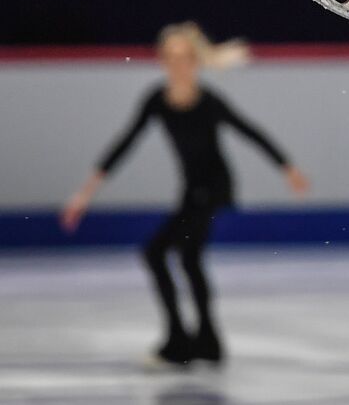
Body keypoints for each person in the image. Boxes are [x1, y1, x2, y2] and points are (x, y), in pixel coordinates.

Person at [60, 22, 309, 367]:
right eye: (170, 57)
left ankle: (180, 342)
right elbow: (124, 144)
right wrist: (84, 194)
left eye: (184, 58)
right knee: (188, 259)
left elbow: (250, 131)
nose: (177, 64)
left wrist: (288, 168)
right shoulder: (157, 100)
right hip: (192, 190)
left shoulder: (207, 102)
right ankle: (206, 342)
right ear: (162, 61)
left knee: (156, 252)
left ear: (195, 62)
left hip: (215, 188)